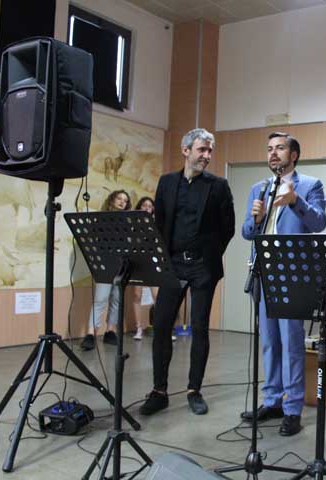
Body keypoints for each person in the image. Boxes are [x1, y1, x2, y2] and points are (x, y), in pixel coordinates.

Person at [139, 128, 235, 416]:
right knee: (161, 326)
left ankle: (194, 390)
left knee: (200, 327)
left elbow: (228, 228)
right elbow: (159, 223)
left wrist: (209, 257)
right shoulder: (167, 182)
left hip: (203, 267)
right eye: (201, 149)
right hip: (173, 265)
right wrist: (162, 259)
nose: (206, 155)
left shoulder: (218, 186)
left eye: (209, 151)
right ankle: (159, 391)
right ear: (186, 150)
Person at [240, 132, 326, 436]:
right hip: (263, 274)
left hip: (293, 276)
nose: (273, 153)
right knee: (269, 341)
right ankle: (272, 400)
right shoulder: (259, 188)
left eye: (279, 148)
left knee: (291, 343)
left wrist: (295, 201)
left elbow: (319, 223)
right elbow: (247, 232)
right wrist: (256, 219)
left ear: (294, 155)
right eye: (269, 149)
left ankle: (292, 409)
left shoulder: (310, 185)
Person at [81, 190, 132, 350]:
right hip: (105, 264)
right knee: (100, 299)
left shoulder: (128, 222)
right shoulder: (101, 218)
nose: (122, 202)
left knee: (116, 299)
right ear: (112, 199)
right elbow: (92, 239)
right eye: (119, 198)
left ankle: (110, 331)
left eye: (125, 200)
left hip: (121, 265)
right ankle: (90, 334)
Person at [132, 196, 157, 340]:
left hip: (153, 261)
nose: (147, 208)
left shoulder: (156, 223)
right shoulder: (134, 223)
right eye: (144, 205)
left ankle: (162, 329)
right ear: (139, 207)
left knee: (157, 296)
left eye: (150, 206)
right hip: (138, 261)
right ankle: (139, 328)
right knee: (137, 295)